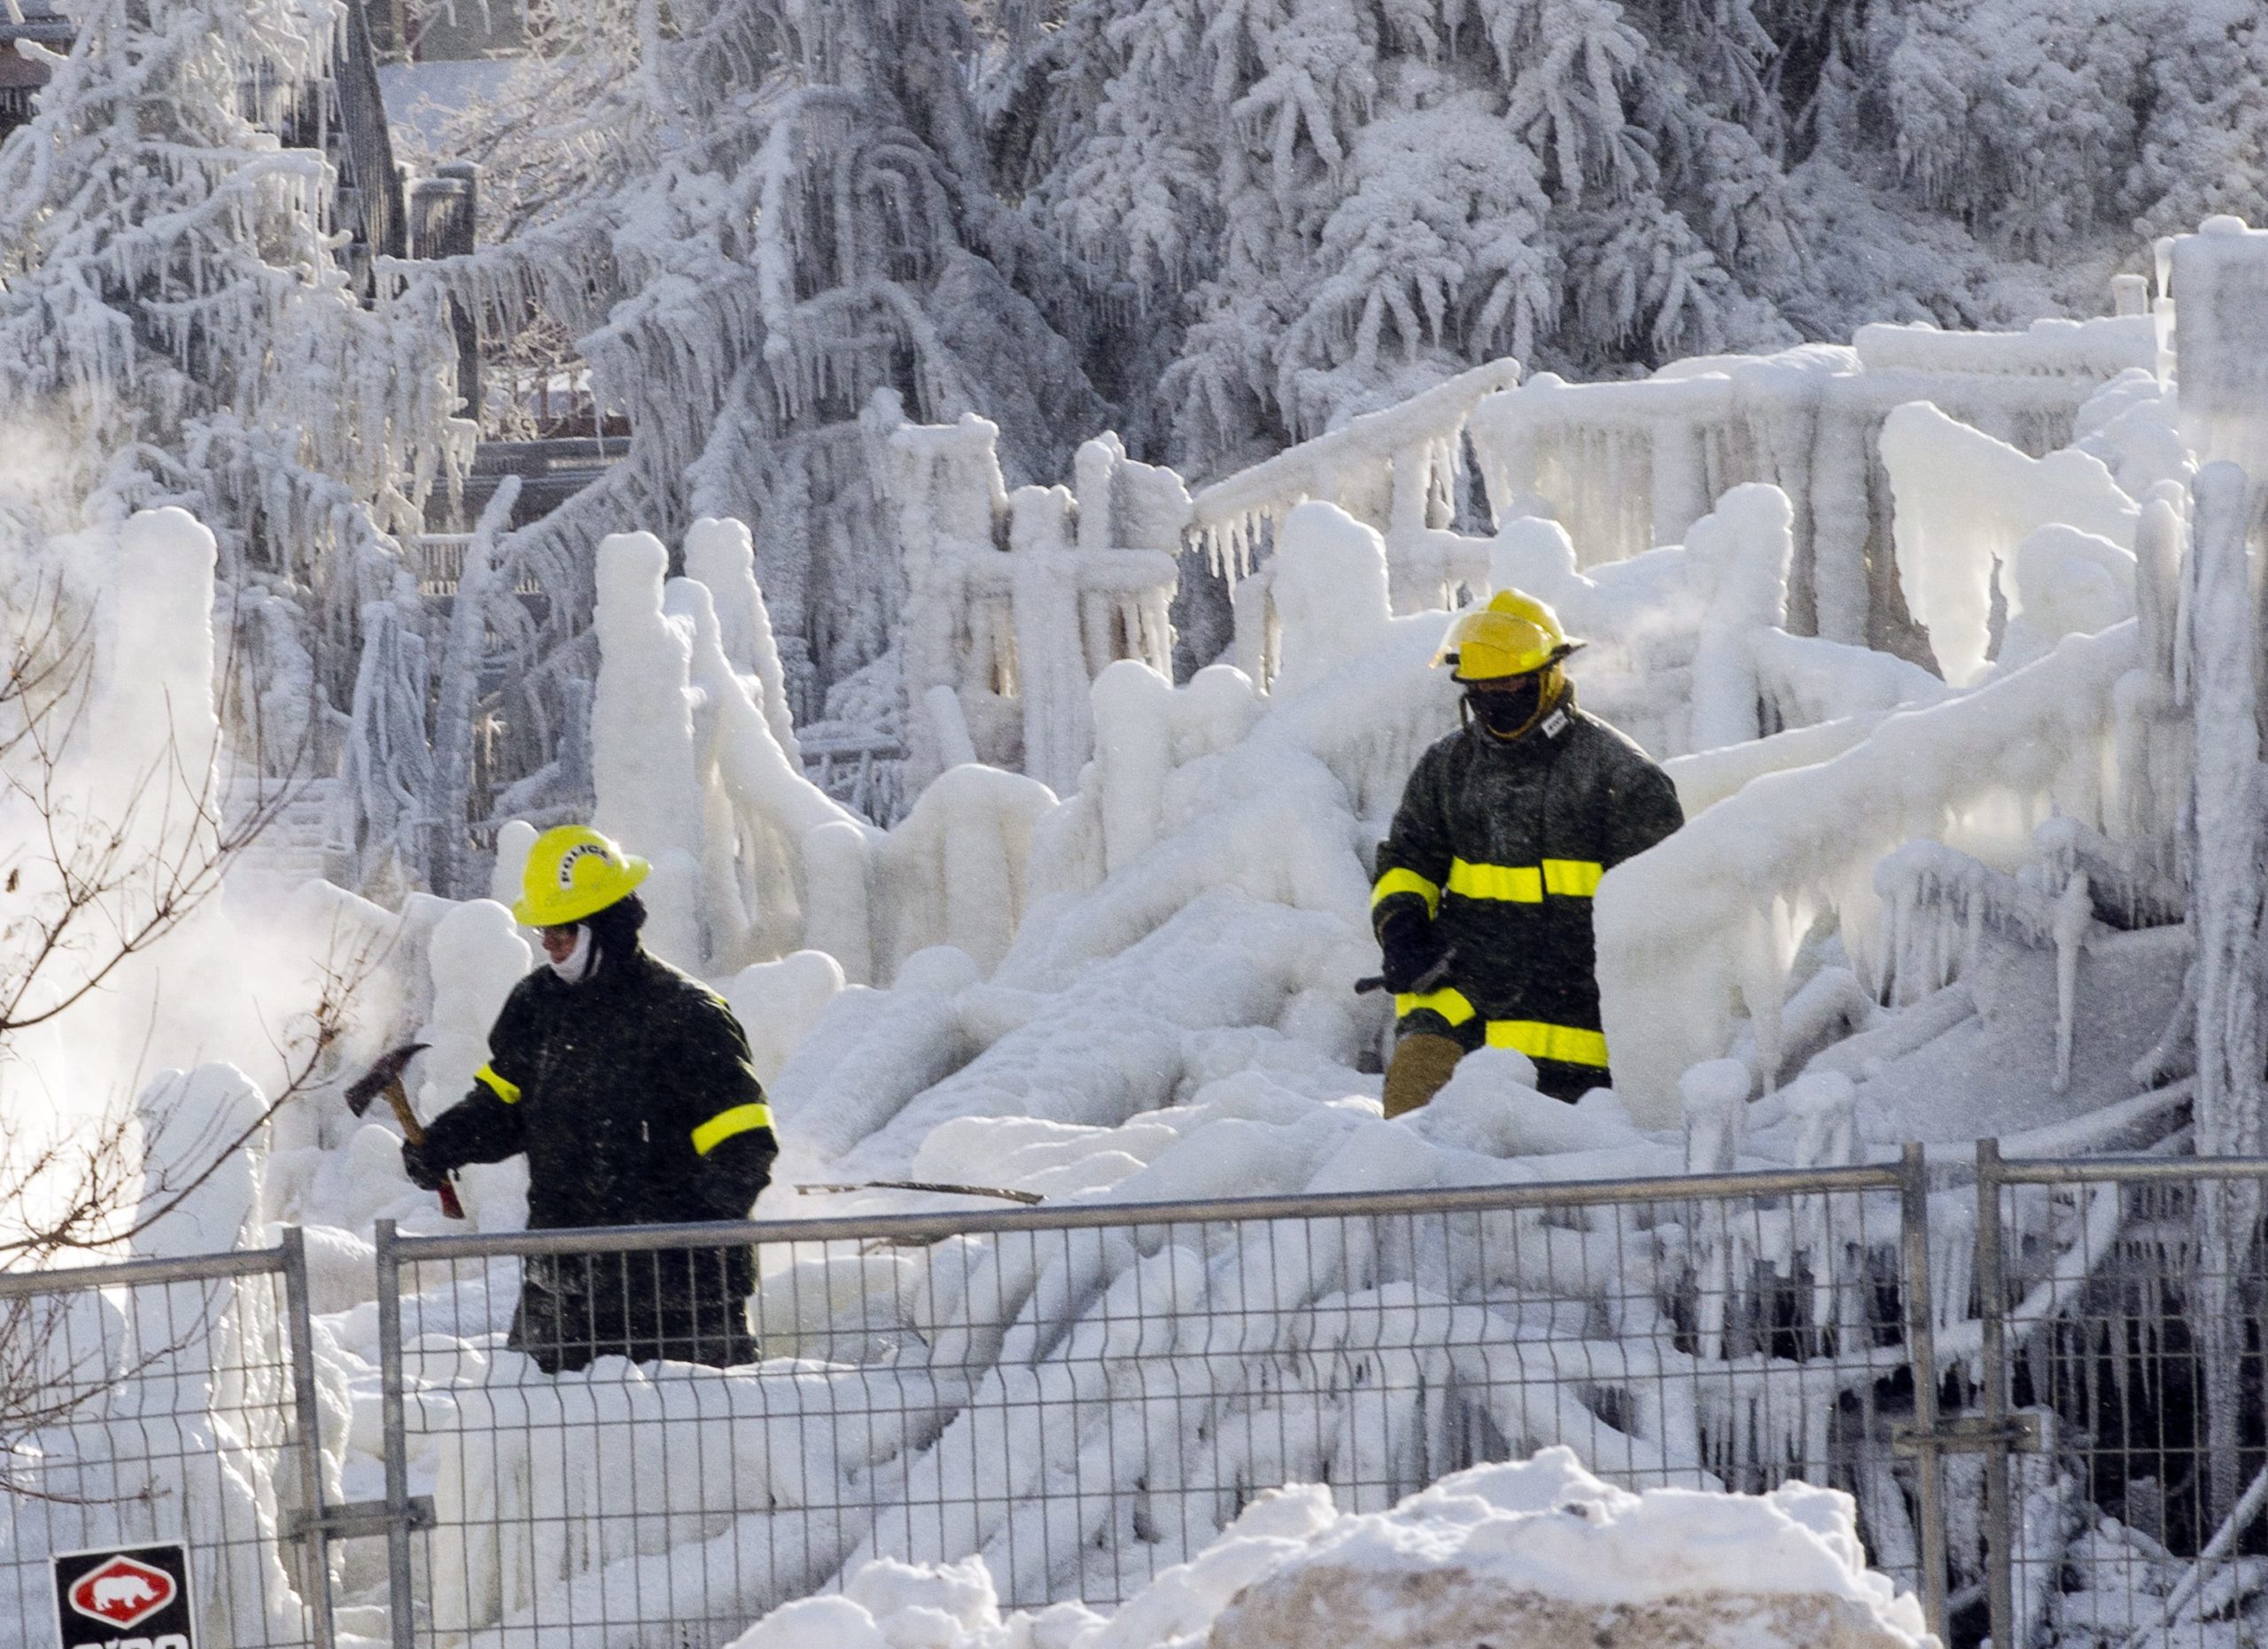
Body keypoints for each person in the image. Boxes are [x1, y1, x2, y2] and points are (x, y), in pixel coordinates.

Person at [402, 825, 778, 1373]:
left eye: (562, 931)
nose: (549, 945)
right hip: (564, 1290)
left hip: (685, 1303)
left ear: (606, 924)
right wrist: (444, 1144)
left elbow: (744, 1147)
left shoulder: (688, 1016)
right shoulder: (535, 1007)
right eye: (543, 933)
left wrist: (676, 1236)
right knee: (542, 1443)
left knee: (696, 1451)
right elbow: (503, 1107)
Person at [1370, 589, 1683, 1116]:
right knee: (1413, 1139)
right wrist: (1403, 930)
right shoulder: (1447, 767)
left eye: (1510, 682)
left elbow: (1663, 917)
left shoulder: (1622, 776)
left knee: (1553, 1178)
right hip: (1458, 1007)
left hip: (1579, 1029)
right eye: (1481, 687)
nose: (1495, 697)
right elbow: (1408, 861)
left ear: (1552, 673)